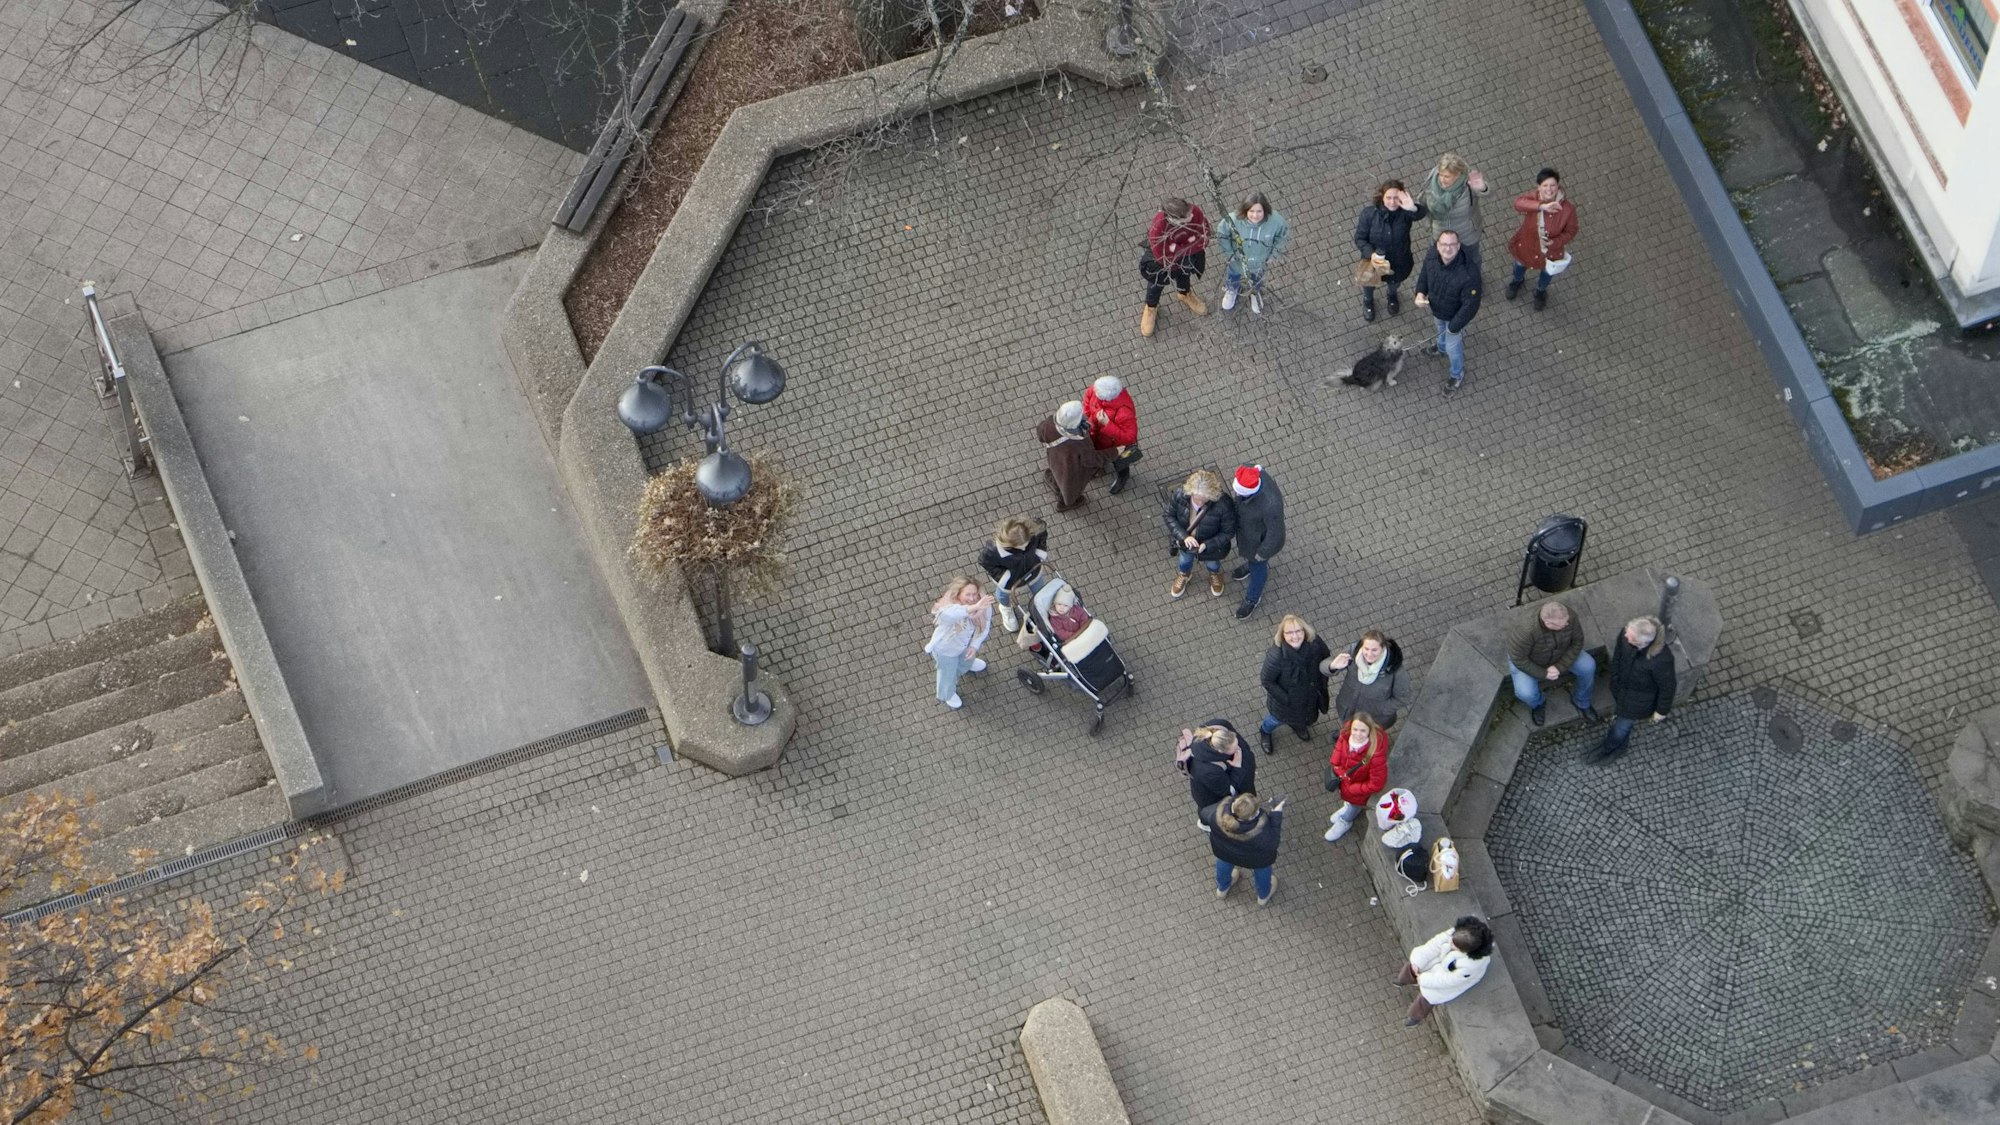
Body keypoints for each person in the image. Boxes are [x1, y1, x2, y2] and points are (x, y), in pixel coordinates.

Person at [1591, 615, 1676, 763]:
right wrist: (1615, 676)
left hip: (1639, 701)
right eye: (1627, 633)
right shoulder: (1627, 634)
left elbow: (1668, 687)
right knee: (1622, 724)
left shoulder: (1661, 660)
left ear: (1643, 643)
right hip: (1621, 688)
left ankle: (1609, 748)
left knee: (1621, 728)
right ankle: (1616, 745)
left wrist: (1661, 711)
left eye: (1630, 638)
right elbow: (1618, 655)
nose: (1625, 637)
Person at [1507, 600, 1598, 727]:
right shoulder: (1526, 630)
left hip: (1561, 654)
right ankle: (1538, 704)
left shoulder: (1568, 616)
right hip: (1531, 662)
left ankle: (1582, 701)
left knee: (1588, 666)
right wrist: (1543, 674)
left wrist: (1560, 666)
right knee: (1525, 692)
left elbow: (1577, 642)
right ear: (1548, 623)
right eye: (1563, 625)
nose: (1567, 624)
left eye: (1567, 622)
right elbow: (1518, 658)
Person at [1413, 231, 1482, 393]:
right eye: (1444, 244)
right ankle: (1440, 348)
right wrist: (1420, 293)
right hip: (1437, 309)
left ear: (1458, 246)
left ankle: (1457, 374)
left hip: (1455, 319)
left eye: (1452, 245)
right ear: (1437, 245)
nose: (1448, 248)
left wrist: (1454, 327)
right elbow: (1424, 274)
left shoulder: (1469, 274)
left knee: (1454, 348)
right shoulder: (1431, 256)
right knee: (1439, 330)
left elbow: (1470, 306)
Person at [1352, 180, 1428, 323]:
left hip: (1399, 262)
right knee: (1369, 283)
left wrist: (1412, 208)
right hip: (1374, 262)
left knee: (1394, 283)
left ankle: (1392, 296)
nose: (1392, 202)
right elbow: (1360, 238)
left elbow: (1420, 214)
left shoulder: (1405, 213)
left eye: (1396, 198)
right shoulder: (1369, 214)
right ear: (1382, 197)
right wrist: (1371, 254)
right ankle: (1368, 301)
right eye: (1388, 198)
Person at [1397, 917, 1495, 1025]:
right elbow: (1434, 944)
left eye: (1454, 945)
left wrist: (1424, 979)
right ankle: (1403, 980)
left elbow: (1449, 981)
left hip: (1449, 980)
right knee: (1412, 966)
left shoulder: (1472, 965)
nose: (1450, 943)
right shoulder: (1459, 934)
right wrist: (1417, 962)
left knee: (1426, 998)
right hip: (1440, 962)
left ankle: (1414, 1017)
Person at [1506, 168, 1578, 311]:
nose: (1549, 189)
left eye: (1552, 185)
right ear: (1539, 187)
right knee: (1520, 265)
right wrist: (1541, 206)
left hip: (1550, 251)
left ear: (1558, 186)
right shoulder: (1534, 198)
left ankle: (1540, 291)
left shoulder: (1568, 209)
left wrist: (1555, 242)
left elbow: (1571, 231)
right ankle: (1517, 281)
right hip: (1527, 244)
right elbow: (1518, 204)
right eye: (1545, 185)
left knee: (1547, 273)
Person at [1257, 614, 1331, 755]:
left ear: (1305, 631)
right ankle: (1265, 731)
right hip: (1285, 704)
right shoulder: (1277, 655)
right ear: (1283, 635)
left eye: (1298, 631)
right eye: (1289, 632)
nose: (1295, 636)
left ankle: (1298, 725)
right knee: (1274, 720)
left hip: (1309, 695)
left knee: (1304, 716)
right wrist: (1287, 699)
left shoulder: (1314, 643)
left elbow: (1326, 657)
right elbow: (1267, 681)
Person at [1139, 197, 1210, 337]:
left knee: (1184, 276)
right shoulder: (1158, 227)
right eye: (1186, 218)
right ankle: (1151, 307)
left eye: (1190, 213)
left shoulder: (1194, 211)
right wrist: (1190, 243)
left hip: (1185, 258)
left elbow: (1205, 237)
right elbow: (1161, 256)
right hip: (1163, 264)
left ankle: (1184, 295)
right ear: (1173, 219)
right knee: (1156, 285)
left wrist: (1176, 248)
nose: (1191, 216)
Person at [923, 577, 993, 710]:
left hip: (965, 645)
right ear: (958, 594)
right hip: (946, 650)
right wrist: (973, 607)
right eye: (968, 594)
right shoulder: (948, 607)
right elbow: (949, 615)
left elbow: (985, 627)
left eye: (975, 594)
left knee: (967, 660)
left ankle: (965, 666)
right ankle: (948, 694)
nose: (972, 598)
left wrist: (974, 646)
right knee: (947, 675)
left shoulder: (983, 605)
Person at [1203, 792, 1284, 906]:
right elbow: (1272, 843)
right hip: (1254, 859)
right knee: (1262, 870)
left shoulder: (1217, 813)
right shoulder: (1259, 831)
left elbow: (1203, 814)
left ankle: (1222, 889)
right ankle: (1263, 896)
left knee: (1223, 863)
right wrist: (1276, 814)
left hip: (1224, 851)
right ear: (1252, 815)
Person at [1165, 469, 1235, 600]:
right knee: (1184, 561)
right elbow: (1169, 516)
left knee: (1213, 564)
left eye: (1204, 500)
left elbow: (1228, 531)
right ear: (1190, 491)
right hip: (1186, 543)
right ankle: (1185, 574)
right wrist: (1184, 537)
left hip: (1210, 546)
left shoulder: (1223, 504)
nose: (1199, 503)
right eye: (1196, 499)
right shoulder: (1180, 494)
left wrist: (1208, 545)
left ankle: (1215, 574)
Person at [1227, 465, 1284, 619]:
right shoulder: (1252, 473)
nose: (1236, 494)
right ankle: (1250, 565)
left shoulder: (1271, 505)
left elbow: (1275, 533)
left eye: (1239, 492)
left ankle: (1253, 598)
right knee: (1251, 559)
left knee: (1258, 568)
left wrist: (1262, 553)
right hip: (1248, 534)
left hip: (1259, 543)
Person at [1323, 712, 1390, 841]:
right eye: (1355, 729)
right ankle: (1348, 807)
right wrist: (1336, 765)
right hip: (1346, 782)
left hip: (1358, 790)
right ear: (1351, 727)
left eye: (1363, 731)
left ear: (1369, 731)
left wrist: (1354, 789)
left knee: (1355, 805)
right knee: (1350, 802)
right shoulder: (1345, 735)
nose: (1358, 734)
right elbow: (1338, 749)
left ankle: (1346, 821)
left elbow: (1377, 783)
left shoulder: (1375, 754)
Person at [1220, 191, 1290, 315]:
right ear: (1245, 210)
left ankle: (1254, 293)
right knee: (1233, 275)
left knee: (1257, 279)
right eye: (1251, 211)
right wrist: (1229, 253)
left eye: (1259, 211)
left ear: (1265, 210)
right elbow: (1222, 233)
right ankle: (1232, 289)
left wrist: (1274, 255)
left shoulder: (1276, 221)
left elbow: (1282, 237)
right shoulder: (1233, 220)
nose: (1255, 216)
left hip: (1260, 262)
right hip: (1237, 260)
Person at [976, 516, 1048, 633]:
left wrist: (1040, 553)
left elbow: (1043, 535)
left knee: (1039, 590)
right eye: (1021, 547)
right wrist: (1003, 576)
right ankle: (1005, 608)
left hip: (1033, 571)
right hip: (1010, 580)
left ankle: (1040, 605)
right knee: (1003, 596)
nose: (1025, 547)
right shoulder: (993, 551)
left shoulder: (1035, 531)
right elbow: (984, 562)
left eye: (1026, 544)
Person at [1324, 629, 1408, 728]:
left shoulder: (1395, 670)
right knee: (1347, 729)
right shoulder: (1353, 653)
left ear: (1383, 648)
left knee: (1366, 738)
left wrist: (1381, 709)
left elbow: (1403, 698)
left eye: (1374, 650)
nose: (1369, 654)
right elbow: (1323, 667)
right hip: (1347, 709)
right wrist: (1332, 666)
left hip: (1374, 720)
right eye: (1366, 649)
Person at [1418, 152, 1489, 268]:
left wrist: (1483, 188)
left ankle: (1474, 278)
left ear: (1458, 175)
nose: (1442, 179)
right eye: (1440, 174)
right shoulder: (1432, 182)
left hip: (1467, 234)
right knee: (1438, 259)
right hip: (1440, 233)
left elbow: (1488, 194)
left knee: (1472, 259)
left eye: (1447, 176)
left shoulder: (1468, 185)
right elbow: (1422, 203)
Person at [1178, 720, 1257, 822]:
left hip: (1216, 783)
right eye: (1234, 749)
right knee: (1213, 816)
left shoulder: (1219, 727)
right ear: (1220, 751)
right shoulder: (1208, 771)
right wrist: (1238, 767)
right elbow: (1228, 791)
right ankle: (1206, 824)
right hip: (1211, 799)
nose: (1238, 748)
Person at [1036, 400, 1107, 512]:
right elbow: (1091, 459)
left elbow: (1040, 434)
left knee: (1057, 474)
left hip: (1055, 459)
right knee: (1071, 488)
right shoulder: (1080, 442)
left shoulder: (1049, 423)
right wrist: (1115, 451)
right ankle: (1066, 503)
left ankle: (1054, 482)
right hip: (1071, 468)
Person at [1082, 375, 1139, 495]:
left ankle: (1123, 476)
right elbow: (1087, 402)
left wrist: (1107, 425)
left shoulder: (1124, 412)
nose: (1093, 390)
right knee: (1097, 455)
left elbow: (1130, 437)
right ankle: (1099, 467)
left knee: (1120, 462)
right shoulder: (1096, 389)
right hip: (1096, 438)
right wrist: (1088, 419)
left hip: (1115, 446)